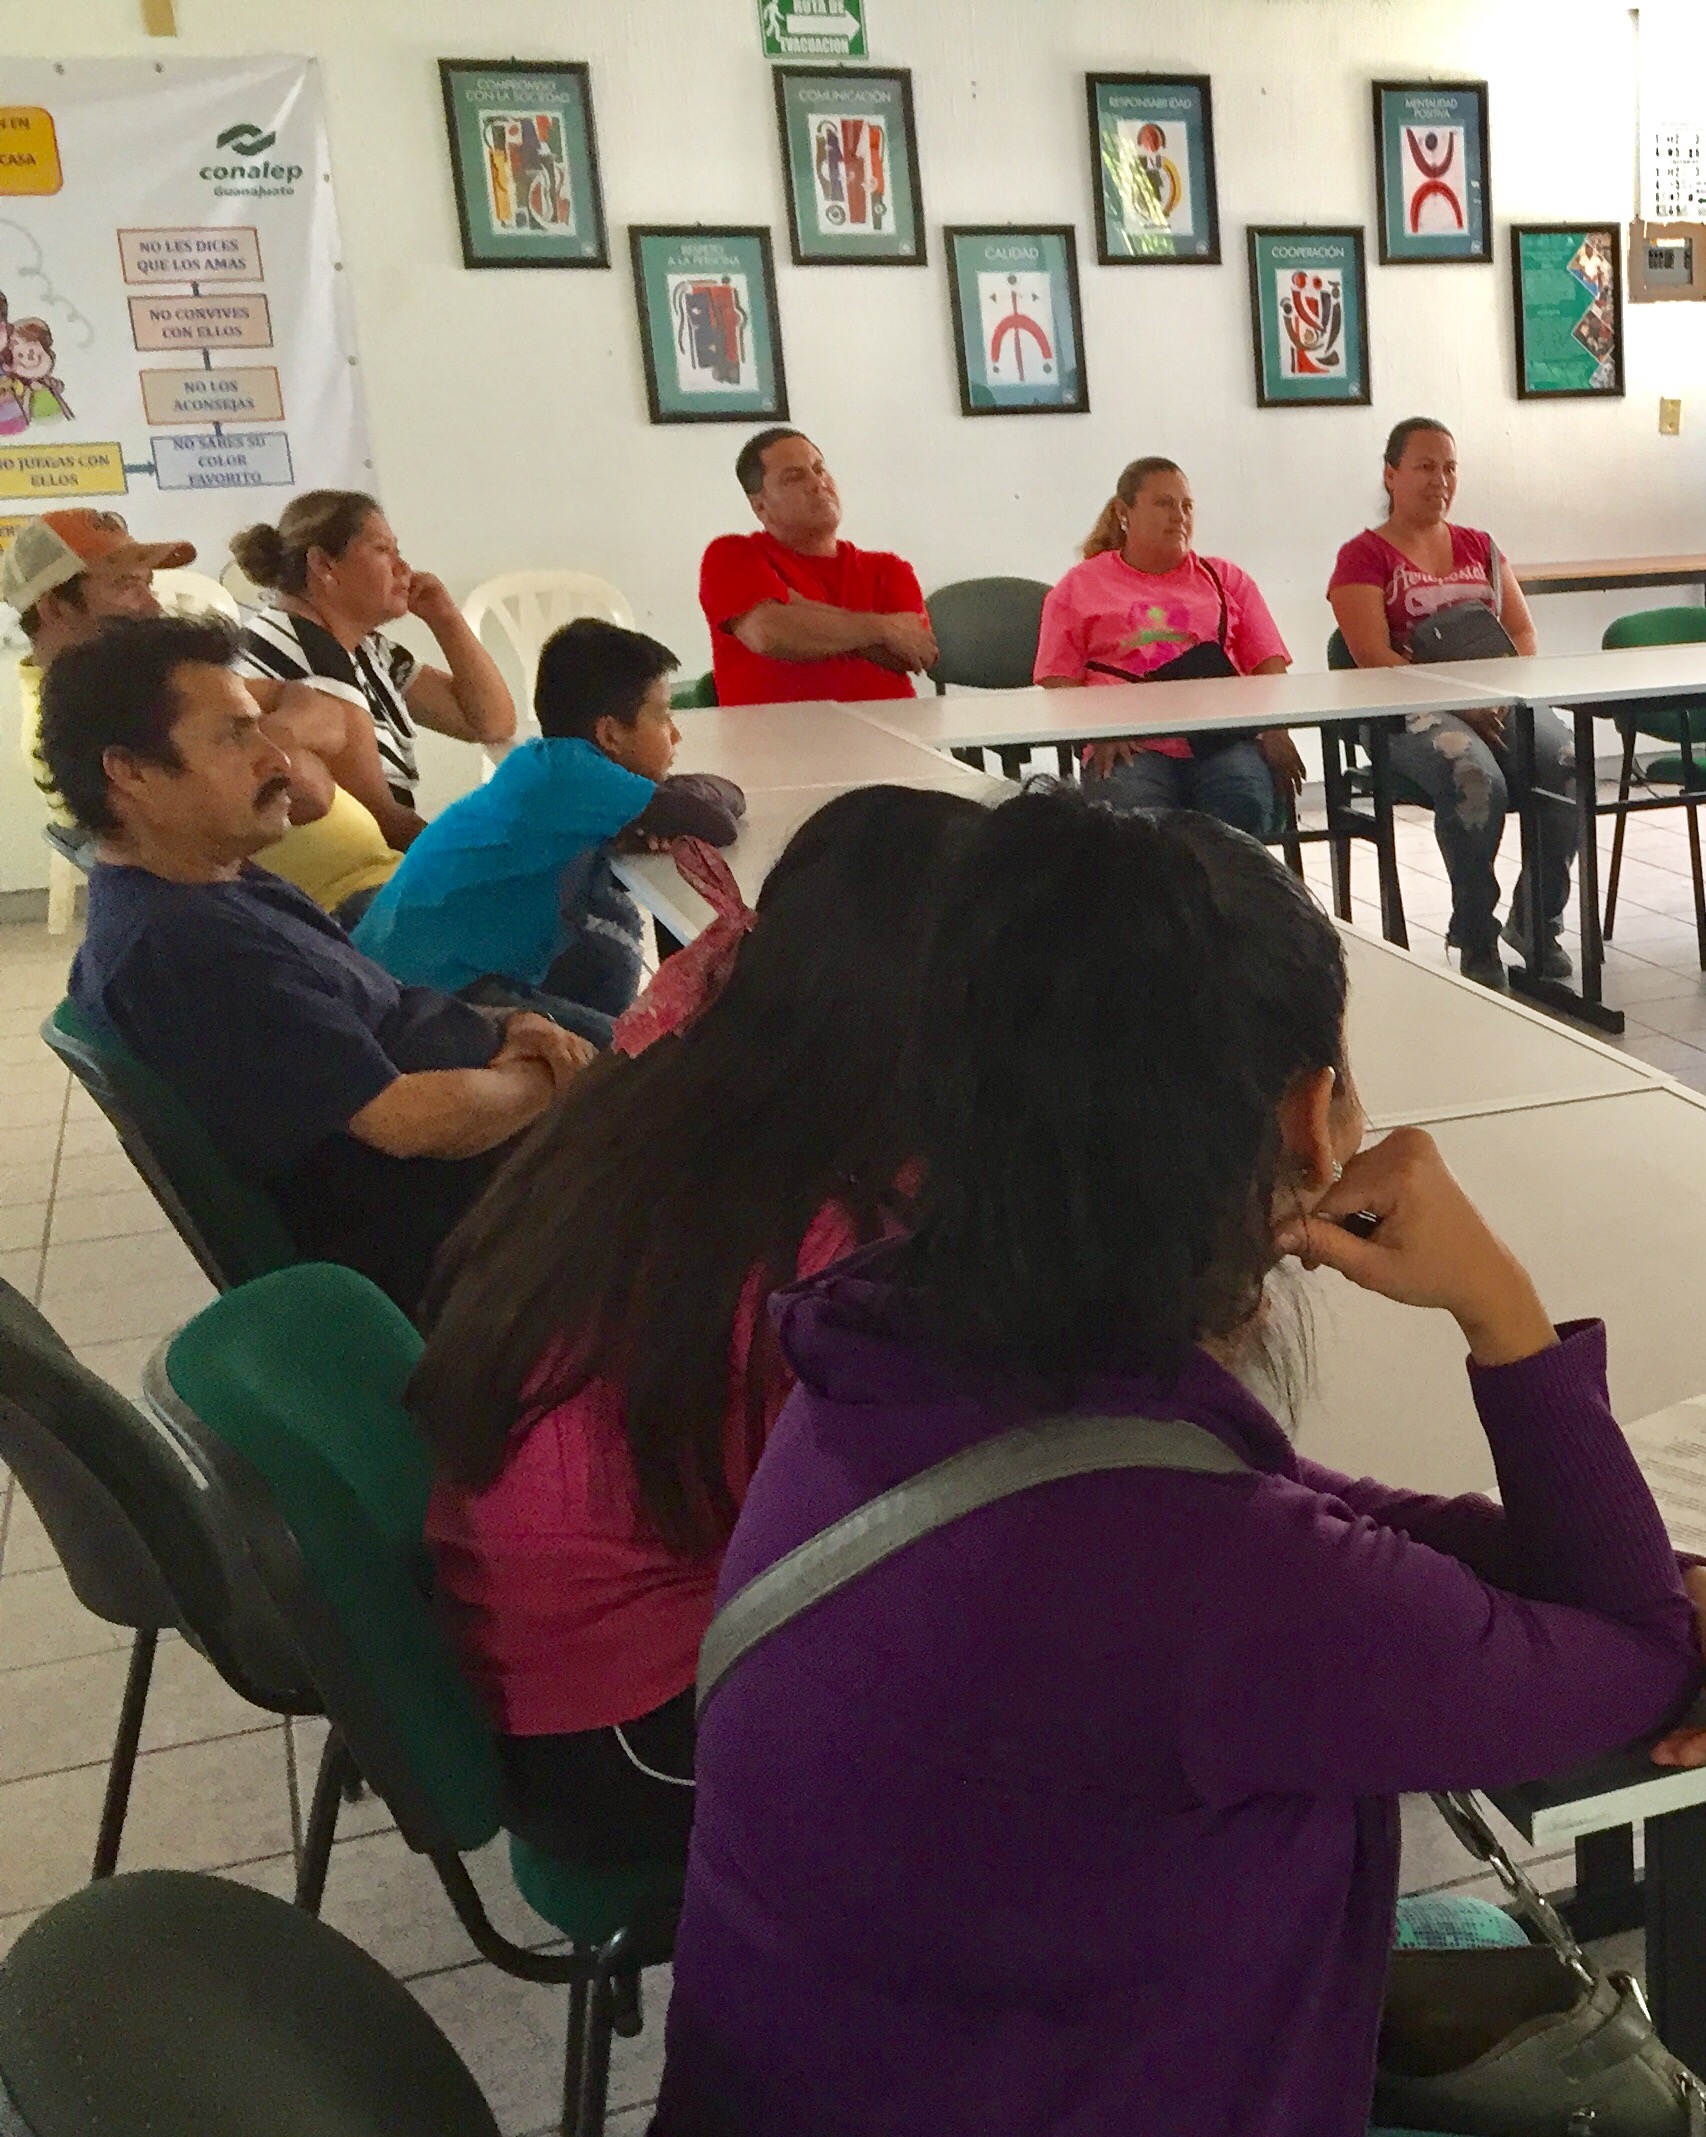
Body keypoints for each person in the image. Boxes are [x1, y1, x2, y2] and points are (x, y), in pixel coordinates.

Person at [635, 794, 1706, 2137]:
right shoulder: (1195, 1577)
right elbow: (1606, 1656)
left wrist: (1684, 1580)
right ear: (1308, 1112)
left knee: (1492, 1955)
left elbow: (1307, 1528)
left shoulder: (885, 1355)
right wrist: (1496, 1307)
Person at [408, 786, 979, 1863]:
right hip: (632, 1728)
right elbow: (916, 1522)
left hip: (578, 1646)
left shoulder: (701, 1073)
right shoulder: (829, 1232)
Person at [39, 619, 590, 1309]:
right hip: (482, 1239)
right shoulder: (188, 950)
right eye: (235, 735)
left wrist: (513, 1027)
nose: (278, 760)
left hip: (504, 1157)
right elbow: (407, 1123)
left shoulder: (216, 878)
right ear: (131, 772)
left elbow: (377, 1002)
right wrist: (555, 1083)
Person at [355, 621, 745, 1041]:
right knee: (632, 1059)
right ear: (609, 733)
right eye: (663, 716)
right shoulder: (578, 775)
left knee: (607, 920)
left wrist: (654, 813)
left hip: (404, 963)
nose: (676, 733)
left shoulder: (545, 763)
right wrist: (677, 800)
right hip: (429, 992)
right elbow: (717, 820)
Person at [8, 510, 402, 924]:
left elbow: (325, 710)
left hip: (378, 883)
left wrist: (265, 737)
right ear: (54, 605)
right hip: (332, 915)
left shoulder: (166, 679)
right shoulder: (58, 731)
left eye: (147, 584)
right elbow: (308, 792)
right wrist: (288, 747)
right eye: (125, 585)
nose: (151, 605)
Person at [1329, 417, 1580, 989]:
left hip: (1495, 700)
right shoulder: (1362, 557)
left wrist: (1490, 696)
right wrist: (1458, 702)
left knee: (1568, 761)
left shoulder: (1481, 548)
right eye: (1424, 466)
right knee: (1474, 776)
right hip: (1405, 711)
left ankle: (1536, 920)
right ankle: (1474, 930)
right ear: (1391, 475)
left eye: (1449, 467)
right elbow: (1370, 656)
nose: (1439, 479)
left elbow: (1524, 636)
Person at [1034, 455, 1304, 840]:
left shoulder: (1226, 578)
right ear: (1124, 513)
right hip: (1128, 744)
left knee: (1241, 802)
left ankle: (1227, 899)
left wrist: (1276, 732)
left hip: (1220, 736)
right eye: (1163, 503)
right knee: (1133, 825)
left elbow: (1270, 667)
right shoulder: (1078, 586)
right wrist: (1099, 731)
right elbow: (1059, 681)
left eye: (1187, 505)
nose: (1179, 516)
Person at [228, 490, 517, 838]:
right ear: (324, 565)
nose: (404, 569)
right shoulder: (302, 649)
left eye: (399, 552)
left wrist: (446, 620)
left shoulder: (363, 646)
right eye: (383, 550)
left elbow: (490, 723)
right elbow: (383, 822)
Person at [699, 427, 937, 705]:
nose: (818, 483)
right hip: (775, 745)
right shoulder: (731, 554)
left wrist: (798, 608)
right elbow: (770, 633)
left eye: (819, 469)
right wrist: (884, 628)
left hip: (892, 740)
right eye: (794, 477)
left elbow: (916, 653)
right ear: (760, 506)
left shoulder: (889, 568)